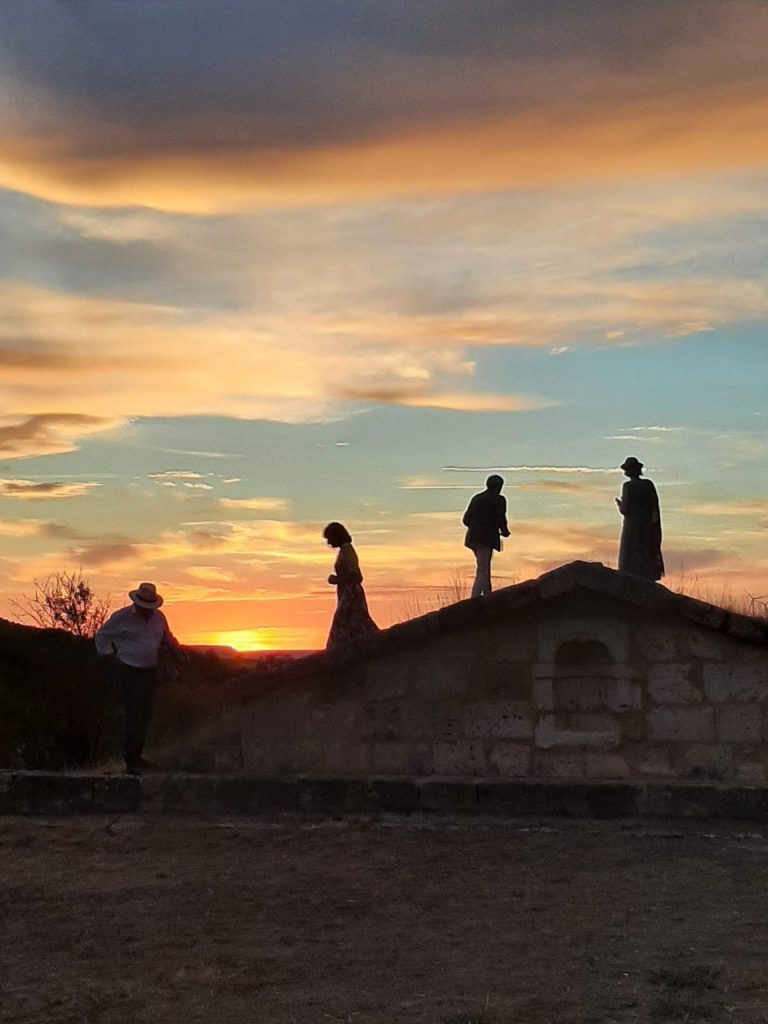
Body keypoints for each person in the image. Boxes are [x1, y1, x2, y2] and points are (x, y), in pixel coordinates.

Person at [94, 581, 183, 775]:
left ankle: (137, 757)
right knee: (133, 715)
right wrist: (113, 659)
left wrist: (176, 650)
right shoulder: (121, 617)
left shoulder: (159, 617)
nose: (148, 610)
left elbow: (166, 636)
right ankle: (131, 760)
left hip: (150, 672)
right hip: (129, 671)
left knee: (145, 715)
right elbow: (101, 637)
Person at [323, 522, 379, 651]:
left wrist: (337, 580)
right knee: (356, 623)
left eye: (330, 538)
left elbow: (356, 576)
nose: (329, 543)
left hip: (351, 594)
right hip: (348, 594)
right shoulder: (344, 550)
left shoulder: (347, 549)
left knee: (345, 624)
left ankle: (337, 651)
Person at [615, 457, 665, 581]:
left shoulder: (628, 486)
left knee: (630, 556)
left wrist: (619, 504)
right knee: (645, 554)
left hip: (632, 528)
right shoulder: (648, 484)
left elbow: (625, 510)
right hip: (647, 527)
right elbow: (654, 507)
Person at [462, 474, 510, 597]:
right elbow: (501, 518)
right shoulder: (499, 500)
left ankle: (486, 594)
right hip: (486, 539)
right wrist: (504, 531)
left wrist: (476, 526)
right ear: (499, 487)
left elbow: (466, 519)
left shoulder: (477, 498)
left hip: (472, 537)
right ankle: (476, 597)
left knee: (483, 567)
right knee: (483, 568)